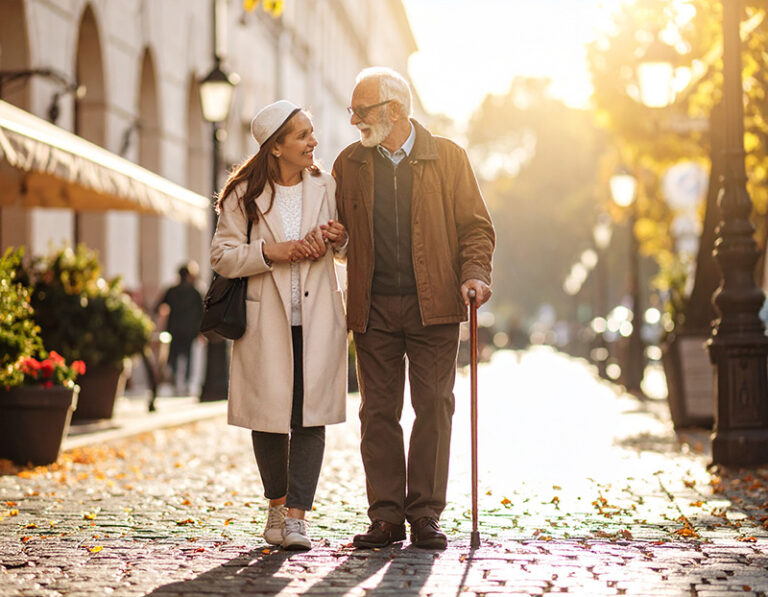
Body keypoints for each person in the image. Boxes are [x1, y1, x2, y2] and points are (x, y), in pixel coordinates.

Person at [331, 67, 495, 550]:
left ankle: (424, 513)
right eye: (353, 111)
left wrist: (475, 274)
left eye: (362, 111)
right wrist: (339, 240)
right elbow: (339, 231)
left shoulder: (447, 157)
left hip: (436, 305)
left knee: (434, 408)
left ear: (393, 111)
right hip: (374, 306)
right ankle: (385, 516)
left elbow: (476, 227)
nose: (354, 119)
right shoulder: (349, 163)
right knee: (377, 412)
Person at [210, 100, 348, 551]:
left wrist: (339, 238)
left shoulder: (327, 186)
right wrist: (273, 252)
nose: (313, 142)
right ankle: (277, 504)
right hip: (264, 322)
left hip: (317, 319)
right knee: (269, 420)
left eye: (311, 133)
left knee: (311, 419)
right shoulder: (242, 196)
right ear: (276, 148)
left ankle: (296, 519)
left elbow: (347, 248)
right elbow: (222, 257)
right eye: (302, 136)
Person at [154, 262, 204, 395]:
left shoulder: (171, 290)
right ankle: (186, 383)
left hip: (174, 329)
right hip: (190, 330)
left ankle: (176, 381)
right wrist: (201, 331)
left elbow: (158, 307)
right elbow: (202, 312)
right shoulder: (195, 292)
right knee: (188, 356)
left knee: (174, 355)